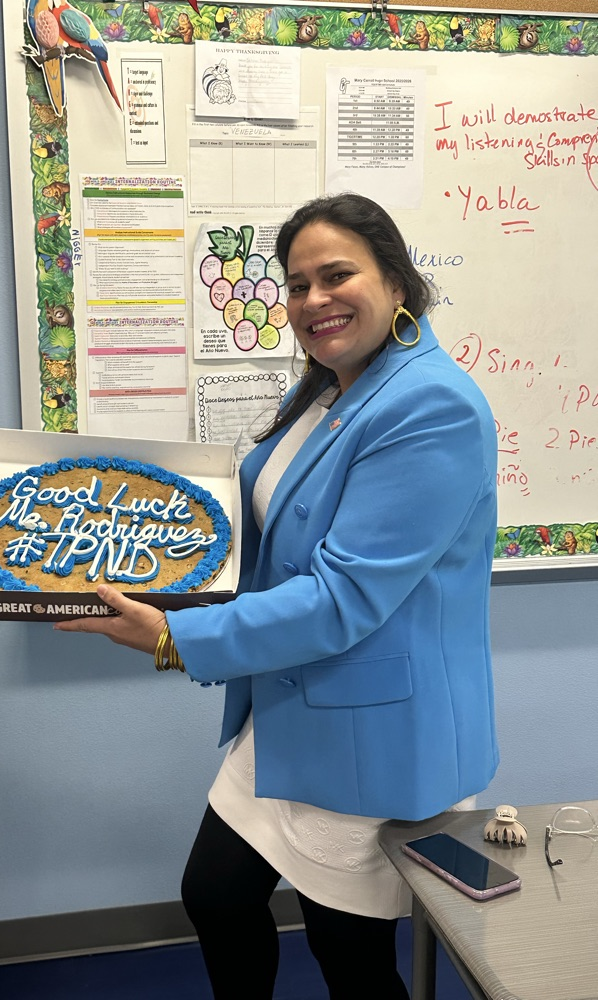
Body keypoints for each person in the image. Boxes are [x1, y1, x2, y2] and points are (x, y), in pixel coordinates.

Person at [55, 192, 499, 999]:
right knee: (216, 895)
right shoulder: (337, 384)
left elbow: (340, 599)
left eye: (337, 275)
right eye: (296, 284)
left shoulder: (431, 406)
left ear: (396, 282)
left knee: (349, 956)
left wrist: (171, 636)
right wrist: (152, 553)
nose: (313, 300)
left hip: (371, 724)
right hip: (292, 701)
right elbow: (274, 528)